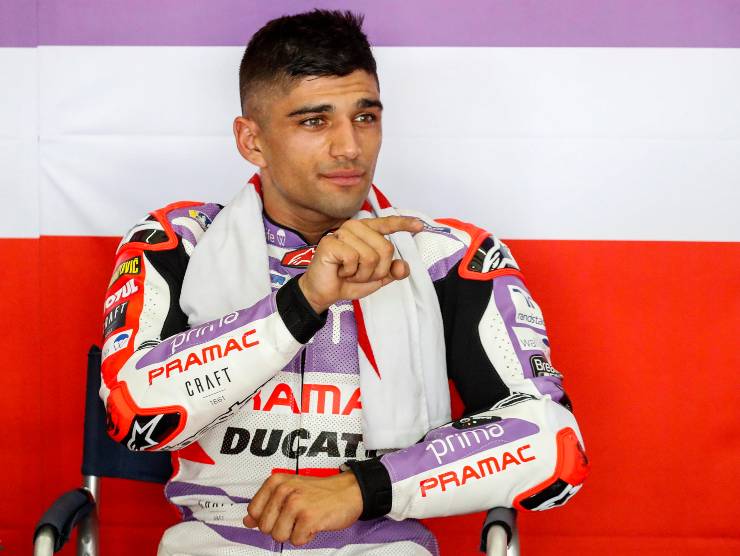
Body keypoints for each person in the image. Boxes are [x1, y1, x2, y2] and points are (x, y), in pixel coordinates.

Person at [100, 10, 589, 555]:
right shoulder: (178, 241)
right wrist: (304, 301)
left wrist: (363, 489)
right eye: (315, 121)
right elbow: (134, 413)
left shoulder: (449, 256)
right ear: (252, 141)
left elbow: (553, 446)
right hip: (215, 542)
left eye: (365, 117)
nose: (350, 147)